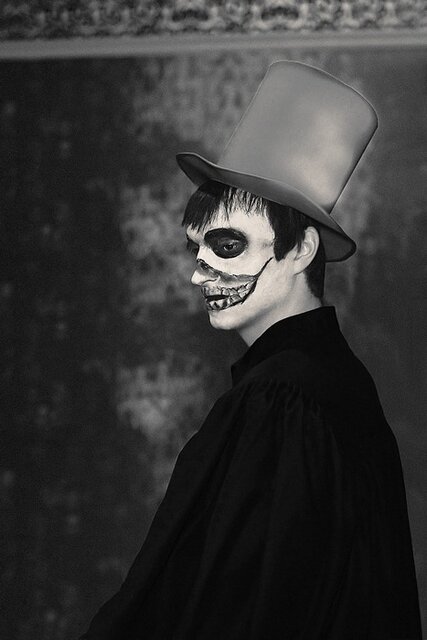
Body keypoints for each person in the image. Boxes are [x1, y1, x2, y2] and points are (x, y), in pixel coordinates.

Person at [80, 61, 422, 639]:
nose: (199, 274)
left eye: (227, 245)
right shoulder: (331, 386)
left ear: (300, 250)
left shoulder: (283, 400)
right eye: (196, 249)